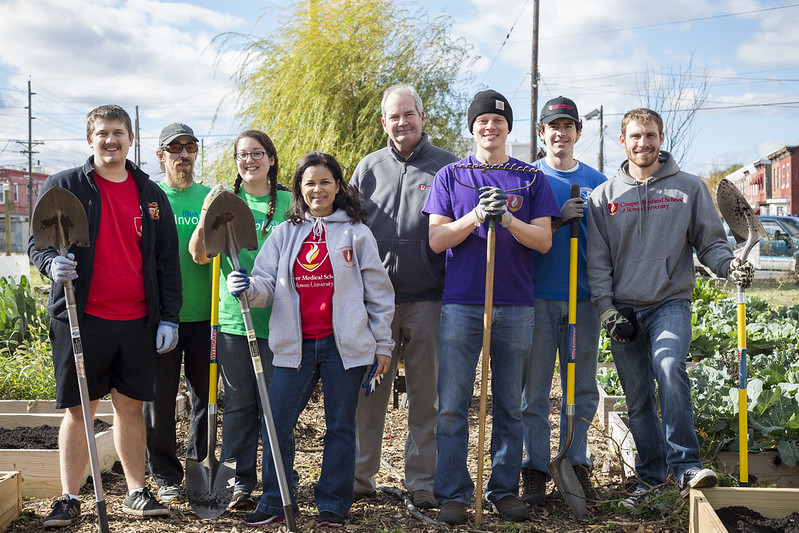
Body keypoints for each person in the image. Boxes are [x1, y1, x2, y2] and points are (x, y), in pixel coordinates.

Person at [585, 108, 754, 504]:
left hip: (669, 301)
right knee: (638, 395)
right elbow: (598, 261)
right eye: (635, 136)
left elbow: (710, 242)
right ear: (622, 142)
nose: (643, 143)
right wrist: (607, 308)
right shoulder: (604, 197)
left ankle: (685, 466)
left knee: (668, 366)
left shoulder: (689, 188)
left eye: (650, 135)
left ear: (661, 138)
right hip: (623, 308)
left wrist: (729, 267)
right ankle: (650, 479)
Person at [28, 104, 181, 527]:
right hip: (81, 317)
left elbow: (167, 260)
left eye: (118, 132)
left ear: (131, 139)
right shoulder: (65, 186)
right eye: (102, 133)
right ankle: (68, 498)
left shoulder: (151, 194)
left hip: (136, 321)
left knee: (130, 408)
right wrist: (49, 265)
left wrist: (169, 316)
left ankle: (135, 491)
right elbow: (36, 244)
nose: (110, 140)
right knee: (80, 409)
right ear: (90, 139)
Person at [225, 151, 395, 528]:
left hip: (342, 346)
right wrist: (248, 288)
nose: (317, 189)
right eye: (309, 183)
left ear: (338, 187)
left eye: (325, 182)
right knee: (276, 422)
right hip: (295, 345)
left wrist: (382, 344)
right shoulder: (286, 233)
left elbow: (380, 294)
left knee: (340, 426)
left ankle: (333, 504)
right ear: (299, 190)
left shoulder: (356, 232)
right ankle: (276, 499)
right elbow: (266, 284)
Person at [422, 90, 561, 525]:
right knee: (452, 405)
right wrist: (476, 219)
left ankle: (502, 490)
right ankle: (453, 494)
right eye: (482, 120)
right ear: (473, 127)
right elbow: (437, 239)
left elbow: (543, 240)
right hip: (462, 305)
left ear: (509, 128)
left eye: (498, 122)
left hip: (516, 306)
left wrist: (509, 220)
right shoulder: (451, 176)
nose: (490, 127)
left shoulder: (529, 179)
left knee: (509, 405)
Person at [350, 84, 458, 509]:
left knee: (424, 393)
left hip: (429, 299)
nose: (401, 123)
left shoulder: (447, 168)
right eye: (393, 117)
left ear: (422, 117)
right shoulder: (368, 169)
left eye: (408, 114)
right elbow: (350, 225)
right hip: (376, 303)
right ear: (384, 122)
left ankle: (422, 482)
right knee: (369, 392)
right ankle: (360, 478)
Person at [188, 129, 292, 509]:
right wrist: (205, 215)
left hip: (281, 319)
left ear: (271, 159)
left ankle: (278, 482)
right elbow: (200, 255)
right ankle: (237, 482)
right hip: (234, 320)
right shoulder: (224, 203)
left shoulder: (290, 203)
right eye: (242, 155)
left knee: (275, 408)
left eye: (257, 153)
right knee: (240, 404)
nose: (249, 161)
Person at [520, 96, 607, 506]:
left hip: (583, 301)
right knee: (534, 391)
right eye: (552, 126)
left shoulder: (599, 181)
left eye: (567, 126)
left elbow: (609, 245)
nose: (560, 133)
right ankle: (536, 468)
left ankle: (576, 461)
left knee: (582, 388)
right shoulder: (527, 177)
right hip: (537, 298)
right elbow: (519, 234)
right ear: (541, 132)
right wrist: (557, 220)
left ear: (577, 132)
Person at [142, 123, 211, 502]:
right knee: (159, 401)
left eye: (190, 148)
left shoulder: (209, 197)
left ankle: (198, 468)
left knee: (205, 398)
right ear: (161, 155)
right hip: (161, 318)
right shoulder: (150, 197)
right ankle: (166, 476)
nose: (183, 155)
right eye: (174, 149)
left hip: (205, 317)